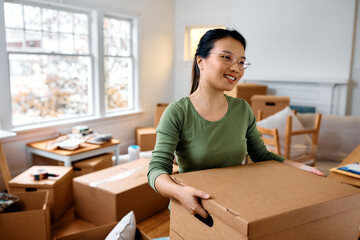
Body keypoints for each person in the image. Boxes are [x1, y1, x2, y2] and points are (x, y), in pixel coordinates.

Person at [147, 28, 324, 219]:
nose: (236, 68)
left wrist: (299, 167)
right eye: (226, 57)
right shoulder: (177, 112)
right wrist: (180, 193)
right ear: (201, 61)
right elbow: (156, 170)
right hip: (191, 208)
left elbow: (261, 155)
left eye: (241, 62)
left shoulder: (242, 109)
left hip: (231, 207)